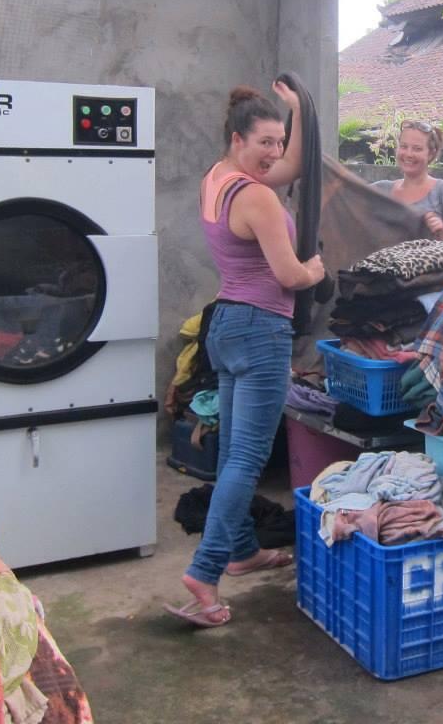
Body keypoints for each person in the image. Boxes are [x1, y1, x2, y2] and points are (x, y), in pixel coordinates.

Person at [166, 79, 325, 629]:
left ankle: (241, 550)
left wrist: (298, 111)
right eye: (265, 142)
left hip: (226, 323)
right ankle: (205, 573)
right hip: (260, 329)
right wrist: (317, 270)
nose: (275, 153)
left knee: (233, 448)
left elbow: (296, 165)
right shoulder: (256, 195)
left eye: (279, 141)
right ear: (238, 139)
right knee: (246, 459)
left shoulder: (219, 180)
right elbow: (289, 274)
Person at [372, 120, 443, 240]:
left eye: (417, 149)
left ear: (431, 153)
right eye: (403, 146)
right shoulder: (380, 190)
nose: (408, 154)